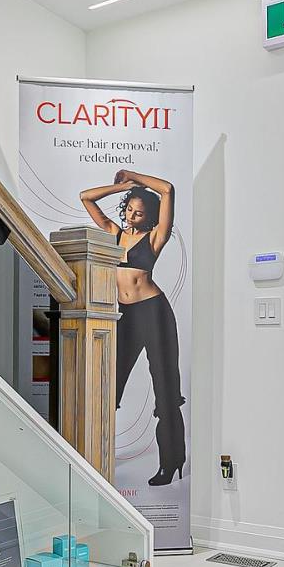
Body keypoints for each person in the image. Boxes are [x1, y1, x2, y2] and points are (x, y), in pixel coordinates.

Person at [80, 168, 185, 485]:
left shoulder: (155, 238)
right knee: (108, 386)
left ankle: (171, 462)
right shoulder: (113, 232)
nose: (131, 216)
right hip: (124, 315)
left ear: (149, 217)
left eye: (139, 213)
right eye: (129, 209)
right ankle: (96, 459)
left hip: (153, 312)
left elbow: (167, 189)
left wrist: (135, 176)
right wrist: (122, 187)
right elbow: (86, 197)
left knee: (165, 387)